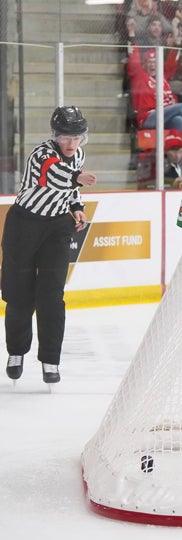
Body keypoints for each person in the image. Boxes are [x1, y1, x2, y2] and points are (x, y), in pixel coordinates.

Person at [3, 107, 97, 384]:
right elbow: (53, 175)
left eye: (77, 137)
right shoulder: (40, 155)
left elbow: (71, 189)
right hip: (24, 226)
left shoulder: (78, 154)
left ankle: (50, 359)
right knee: (19, 295)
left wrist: (77, 207)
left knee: (52, 297)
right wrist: (77, 178)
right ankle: (16, 352)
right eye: (66, 137)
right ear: (55, 135)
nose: (72, 143)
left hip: (57, 228)